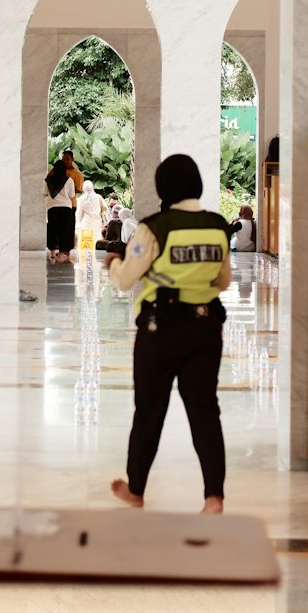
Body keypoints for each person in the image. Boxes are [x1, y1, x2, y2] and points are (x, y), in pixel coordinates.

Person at [106, 154, 232, 514]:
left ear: (164, 188)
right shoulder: (218, 226)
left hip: (160, 331)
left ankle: (136, 489)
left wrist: (114, 263)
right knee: (205, 411)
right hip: (206, 329)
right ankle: (213, 497)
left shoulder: (153, 228)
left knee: (149, 410)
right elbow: (222, 281)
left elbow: (126, 279)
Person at [43, 159, 75, 264]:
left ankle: (52, 251)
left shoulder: (48, 180)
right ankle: (62, 252)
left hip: (52, 207)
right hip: (66, 208)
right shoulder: (69, 180)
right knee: (64, 230)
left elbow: (44, 193)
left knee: (53, 229)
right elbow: (72, 195)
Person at [75, 179, 108, 246]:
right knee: (96, 243)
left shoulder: (81, 199)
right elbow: (104, 208)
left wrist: (78, 221)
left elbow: (79, 213)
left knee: (87, 244)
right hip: (97, 224)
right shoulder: (98, 197)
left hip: (86, 224)